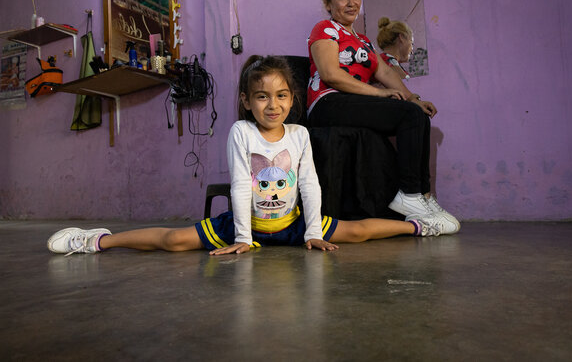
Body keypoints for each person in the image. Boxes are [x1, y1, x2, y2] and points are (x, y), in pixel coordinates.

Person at [47, 55, 460, 256]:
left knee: (358, 232)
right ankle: (95, 241)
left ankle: (422, 227)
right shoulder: (241, 131)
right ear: (247, 101)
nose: (272, 105)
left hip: (293, 223)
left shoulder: (299, 134)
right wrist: (243, 237)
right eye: (262, 97)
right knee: (173, 240)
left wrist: (313, 231)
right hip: (248, 223)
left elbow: (311, 183)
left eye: (281, 96)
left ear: (292, 99)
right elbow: (242, 183)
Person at [307, 0, 455, 221]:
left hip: (352, 101)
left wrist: (412, 99)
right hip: (327, 102)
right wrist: (379, 95)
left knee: (416, 115)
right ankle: (408, 196)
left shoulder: (363, 41)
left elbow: (385, 72)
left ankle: (423, 196)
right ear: (328, 3)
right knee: (408, 115)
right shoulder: (325, 29)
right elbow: (330, 74)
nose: (351, 3)